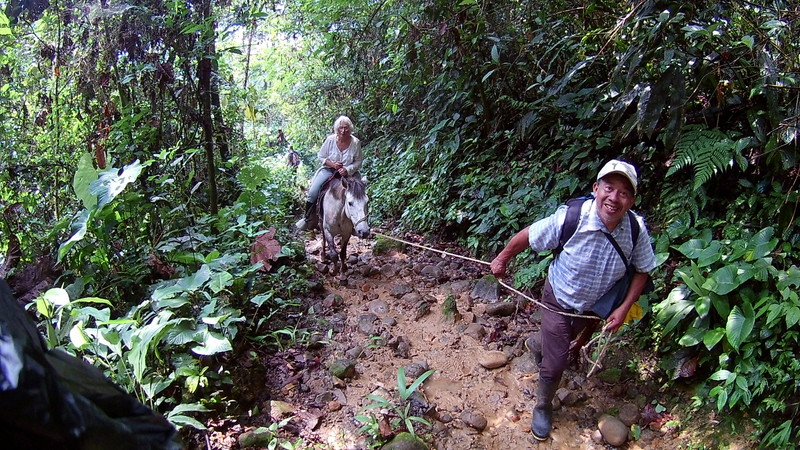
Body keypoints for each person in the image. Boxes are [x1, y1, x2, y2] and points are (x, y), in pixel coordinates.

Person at [490, 159, 657, 441]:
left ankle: (538, 343)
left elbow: (643, 269)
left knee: (562, 339)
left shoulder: (635, 230)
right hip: (558, 295)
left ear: (632, 200)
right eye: (609, 188)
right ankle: (543, 405)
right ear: (596, 189)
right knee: (557, 361)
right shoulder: (572, 217)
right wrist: (502, 259)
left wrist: (623, 307)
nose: (614, 198)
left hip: (593, 305)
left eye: (624, 193)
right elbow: (528, 236)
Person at [295, 115, 363, 231]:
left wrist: (347, 169)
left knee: (360, 194)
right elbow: (321, 156)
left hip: (349, 174)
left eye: (346, 128)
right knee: (313, 192)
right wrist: (332, 164)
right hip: (329, 171)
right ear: (336, 129)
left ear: (350, 129)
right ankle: (307, 219)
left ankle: (362, 222)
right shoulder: (330, 140)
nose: (343, 131)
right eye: (340, 128)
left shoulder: (355, 142)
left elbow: (359, 161)